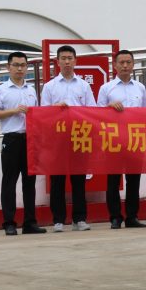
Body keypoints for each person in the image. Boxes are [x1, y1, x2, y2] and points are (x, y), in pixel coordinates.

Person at [0, 52, 46, 236]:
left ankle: (30, 222)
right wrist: (14, 111)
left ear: (27, 67)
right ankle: (9, 222)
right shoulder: (1, 90)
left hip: (29, 139)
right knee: (9, 181)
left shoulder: (31, 90)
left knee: (30, 182)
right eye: (16, 65)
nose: (20, 69)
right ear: (8, 67)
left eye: (23, 65)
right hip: (11, 139)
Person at [41, 45, 96, 233]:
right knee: (57, 180)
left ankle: (79, 219)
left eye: (70, 58)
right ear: (57, 62)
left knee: (79, 180)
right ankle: (58, 220)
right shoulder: (49, 86)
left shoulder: (84, 85)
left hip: (79, 136)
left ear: (75, 61)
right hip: (57, 138)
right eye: (63, 58)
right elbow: (43, 113)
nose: (66, 61)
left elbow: (92, 110)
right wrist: (55, 108)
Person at [97, 50, 146, 229]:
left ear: (133, 65)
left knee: (134, 180)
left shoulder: (140, 88)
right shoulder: (106, 88)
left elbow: (145, 113)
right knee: (113, 180)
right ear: (115, 65)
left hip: (135, 138)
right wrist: (109, 106)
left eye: (128, 62)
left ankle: (132, 216)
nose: (125, 66)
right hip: (114, 139)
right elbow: (97, 114)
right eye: (122, 62)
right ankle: (115, 217)